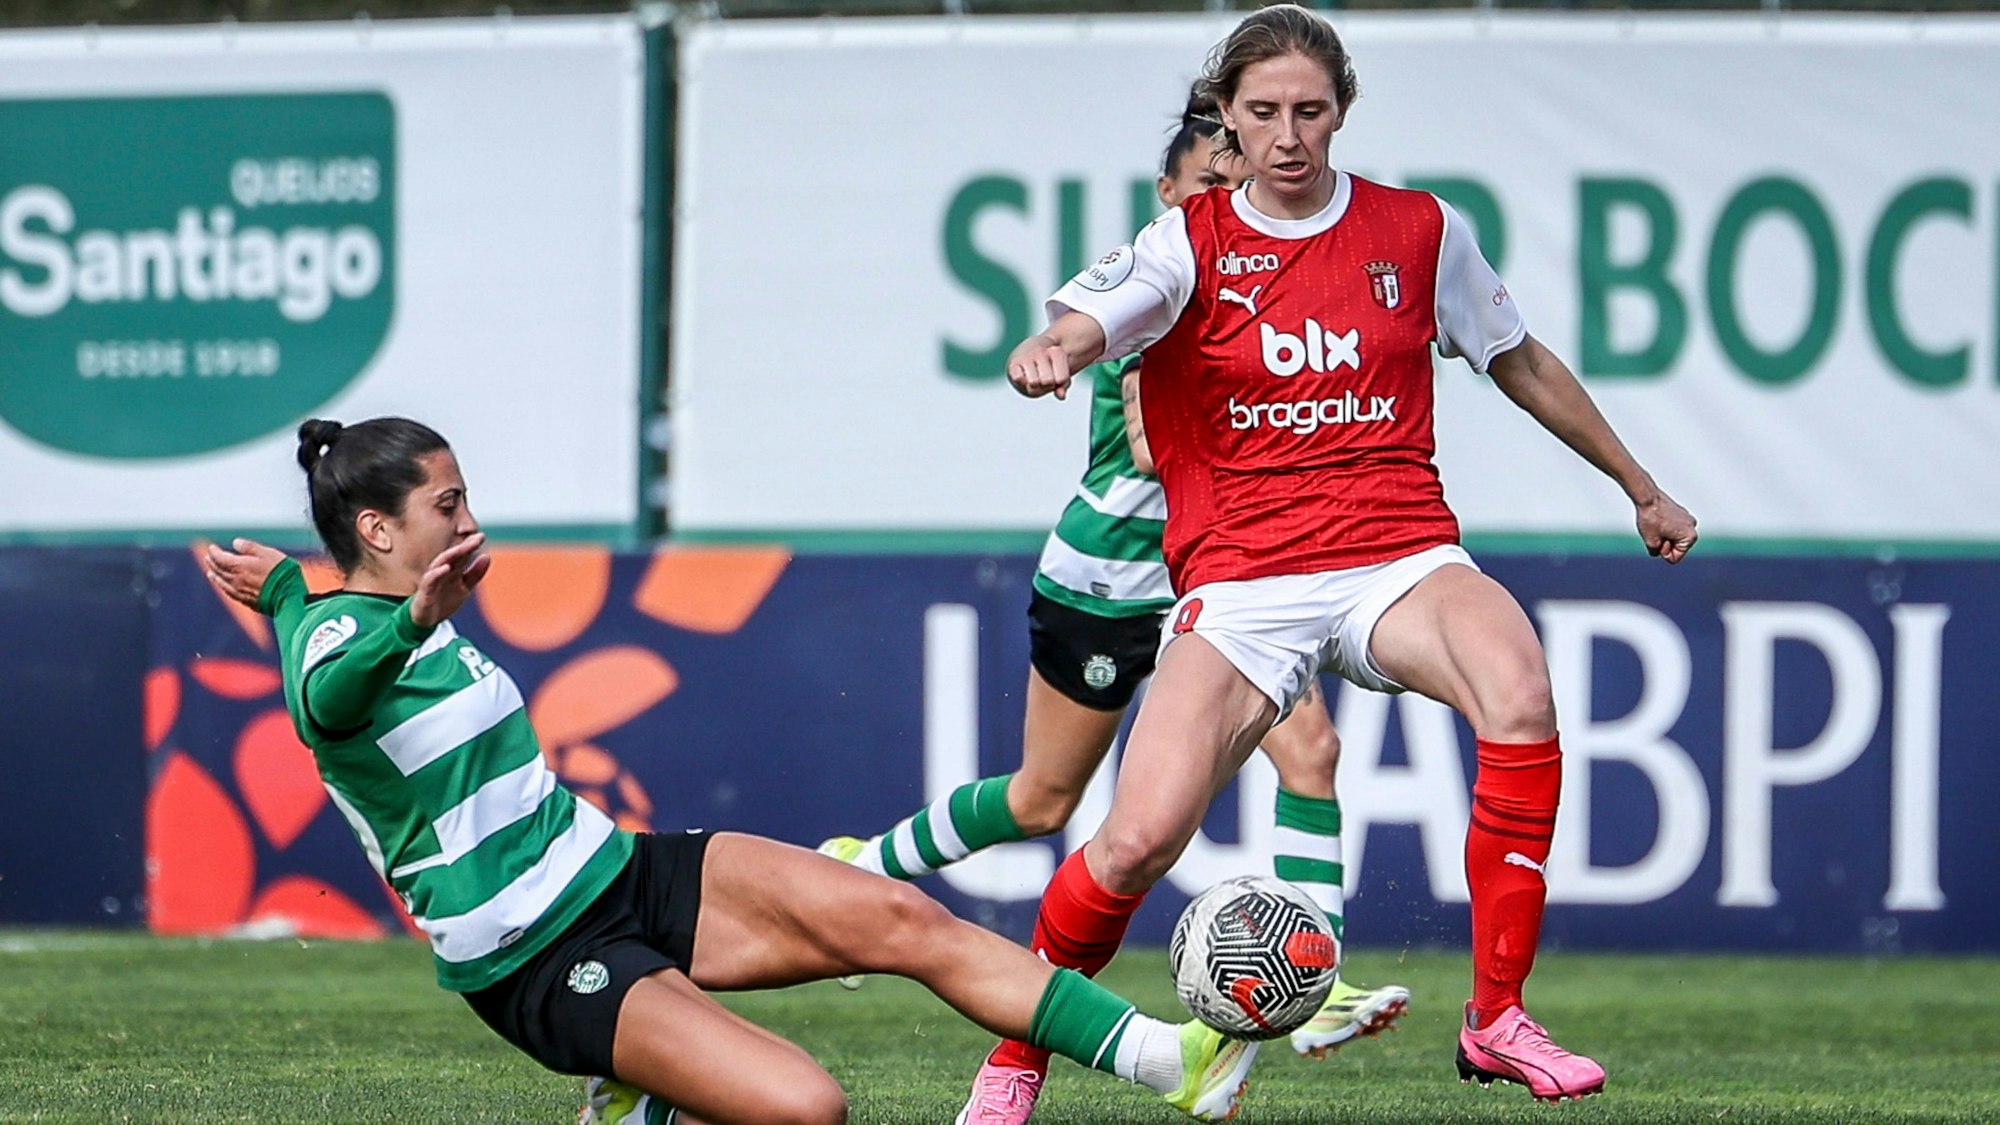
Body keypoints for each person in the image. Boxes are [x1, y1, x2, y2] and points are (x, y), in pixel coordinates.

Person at [982, 4, 1699, 1114]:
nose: (1285, 134)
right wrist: (1052, 349)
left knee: (1517, 685)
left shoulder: (1417, 230)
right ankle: (1014, 1058)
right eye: (1261, 112)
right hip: (1241, 585)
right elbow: (1090, 317)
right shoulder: (1187, 242)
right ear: (1224, 118)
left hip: (1395, 554)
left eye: (1308, 111)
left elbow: (1518, 360)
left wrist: (1638, 485)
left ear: (1341, 112)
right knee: (1130, 843)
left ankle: (1496, 1019)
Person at [202, 416, 1264, 1125]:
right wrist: (344, 609)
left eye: (465, 496)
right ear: (378, 528)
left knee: (898, 919)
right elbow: (322, 704)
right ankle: (635, 1084)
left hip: (615, 871)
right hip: (530, 959)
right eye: (447, 505)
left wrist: (346, 600)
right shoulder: (339, 634)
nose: (469, 522)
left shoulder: (367, 607)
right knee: (808, 1110)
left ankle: (1172, 1068)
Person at [820, 90, 1405, 1123]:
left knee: (1308, 754)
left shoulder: (1270, 289)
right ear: (1166, 199)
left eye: (1235, 185)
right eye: (1206, 185)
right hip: (1108, 579)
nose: (1227, 201)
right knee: (1043, 800)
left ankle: (1307, 987)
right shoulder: (1149, 293)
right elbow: (1153, 447)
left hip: (1217, 588)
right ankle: (859, 870)